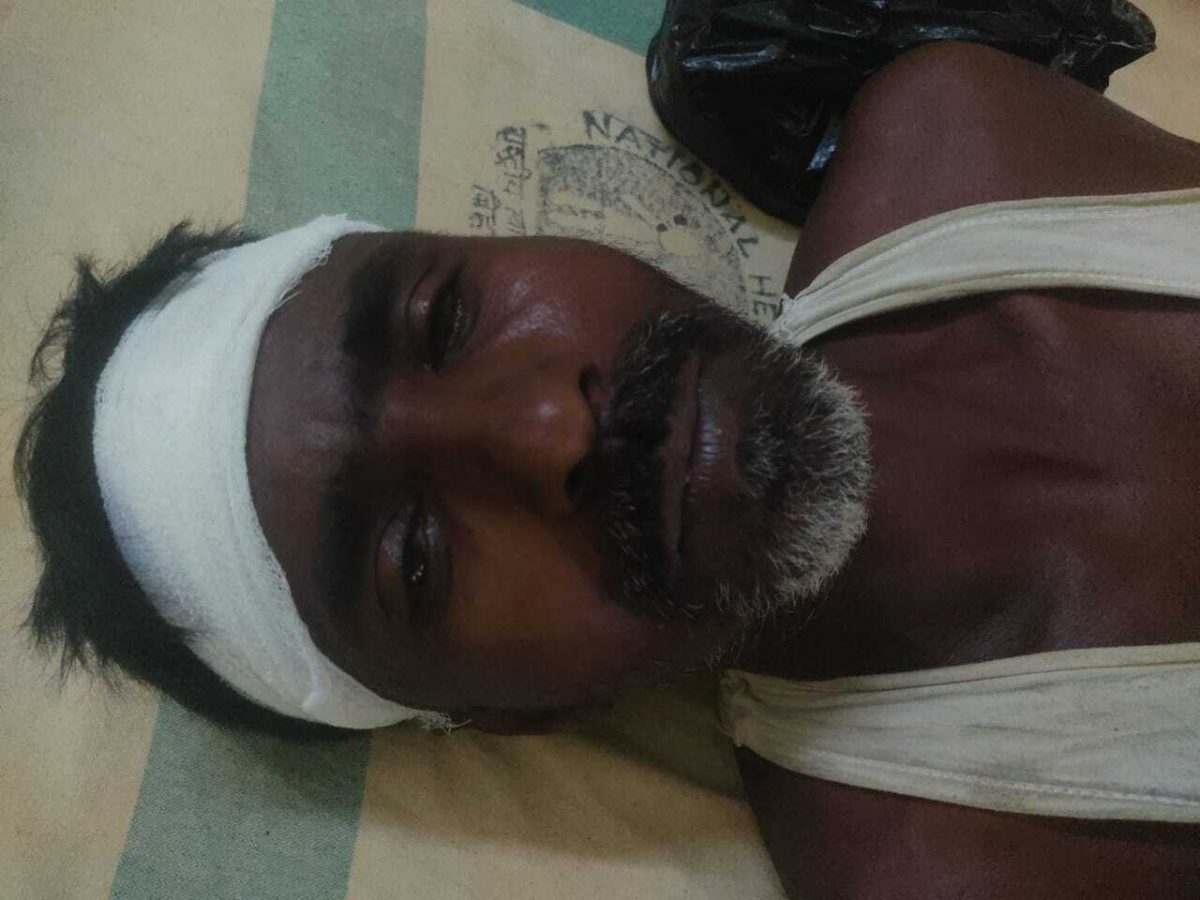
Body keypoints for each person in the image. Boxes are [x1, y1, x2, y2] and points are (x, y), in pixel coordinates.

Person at [16, 41, 1199, 898]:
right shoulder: (974, 867)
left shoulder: (958, 138)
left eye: (443, 318)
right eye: (416, 558)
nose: (550, 432)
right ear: (514, 714)